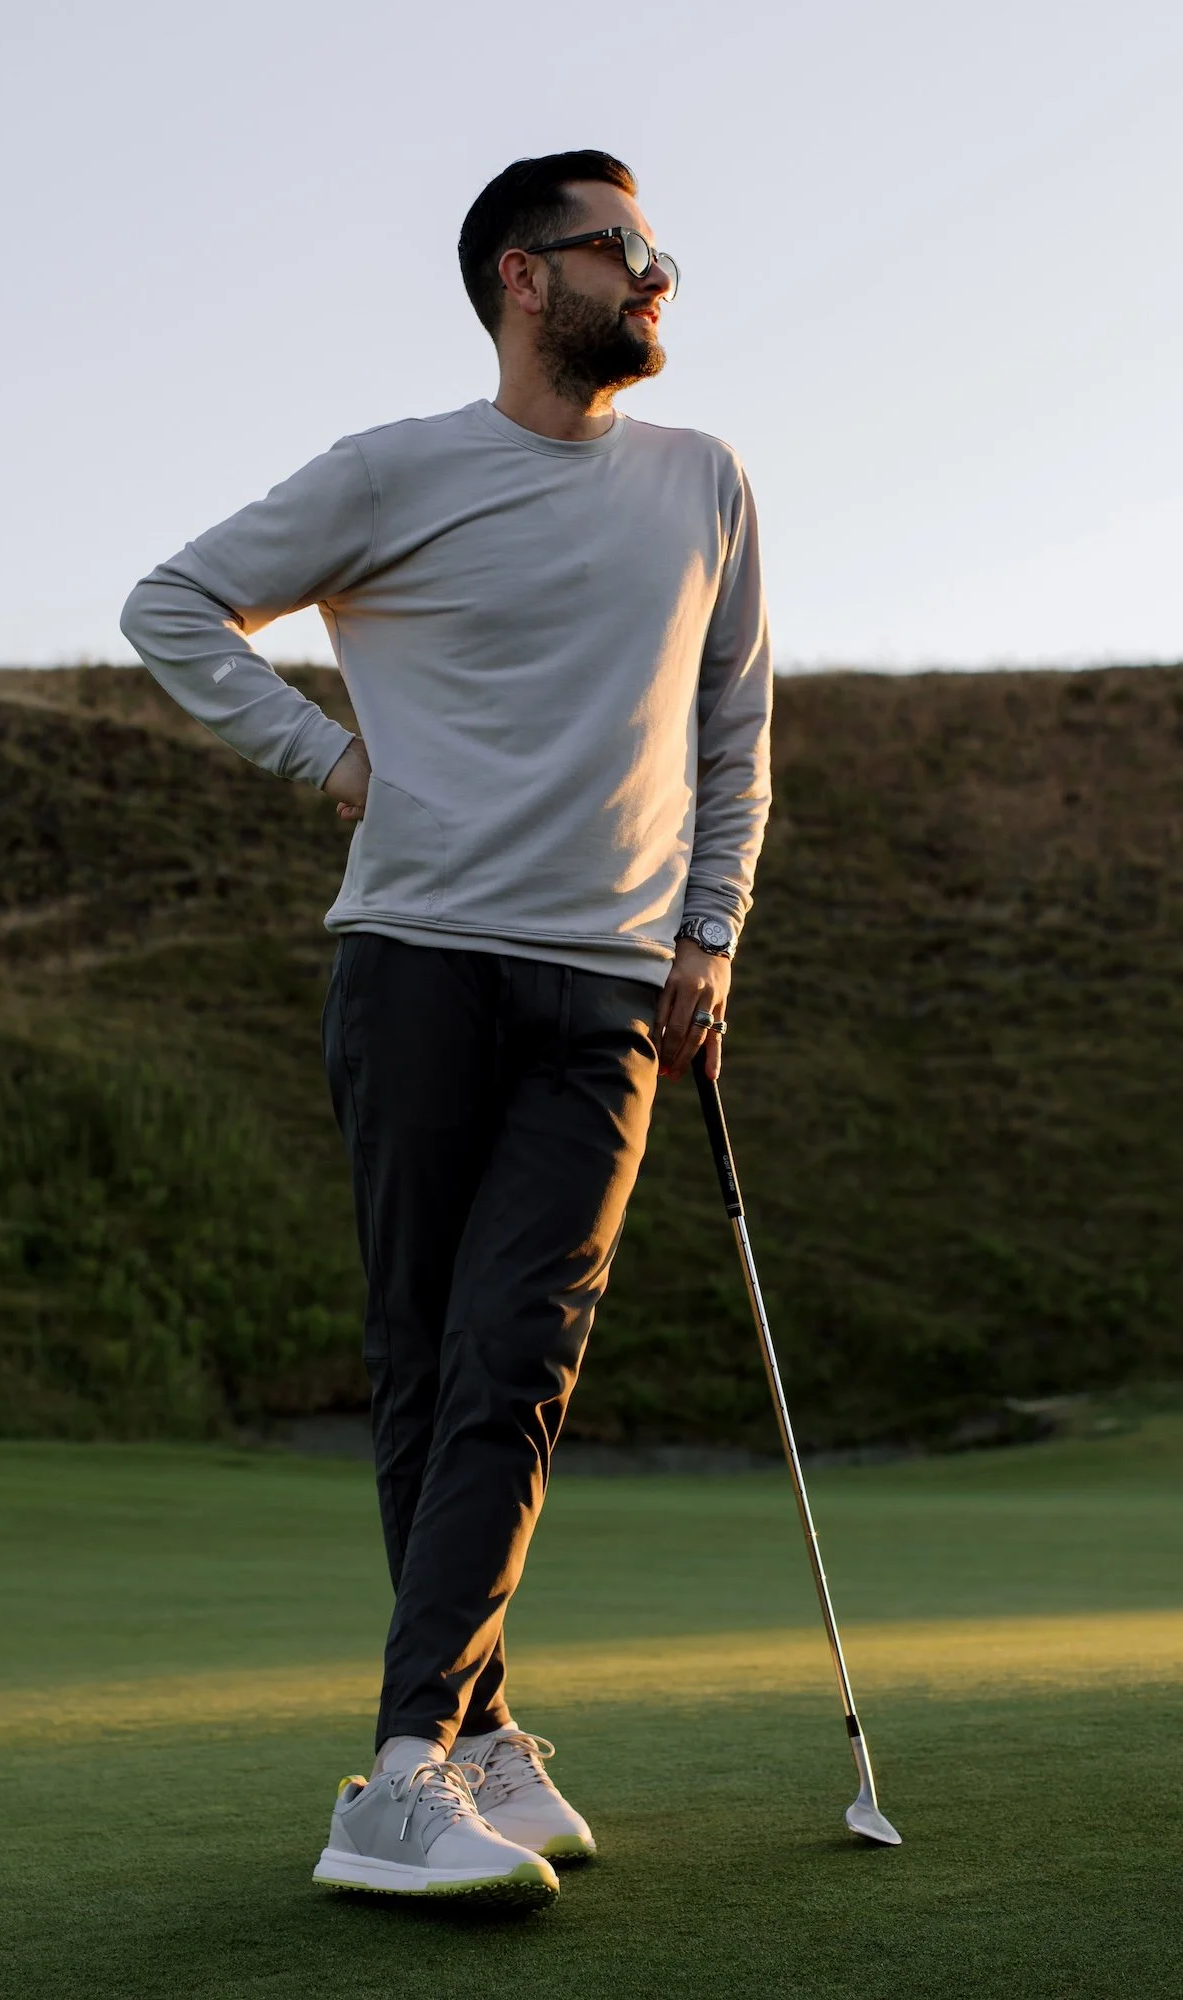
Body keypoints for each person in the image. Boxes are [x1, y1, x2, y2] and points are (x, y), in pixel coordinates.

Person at [120, 149, 772, 1908]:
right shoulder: (398, 470)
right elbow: (172, 608)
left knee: (518, 1354)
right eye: (620, 248)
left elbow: (736, 730)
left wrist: (709, 935)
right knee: (427, 1366)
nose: (656, 278)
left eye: (659, 252)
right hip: (412, 966)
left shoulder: (705, 483)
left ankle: (412, 1765)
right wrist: (328, 758)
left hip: (611, 993)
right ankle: (450, 1749)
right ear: (517, 276)